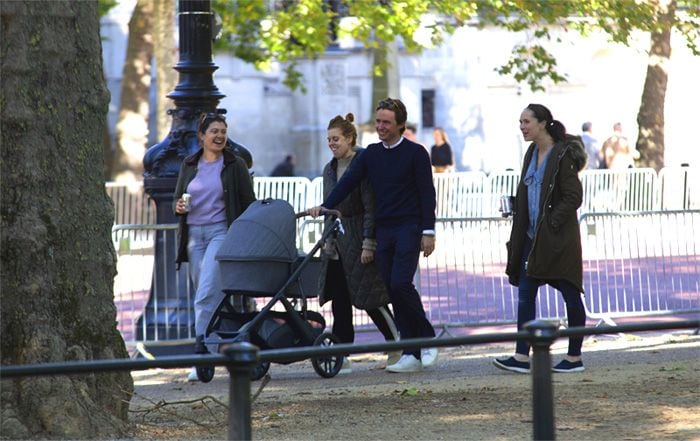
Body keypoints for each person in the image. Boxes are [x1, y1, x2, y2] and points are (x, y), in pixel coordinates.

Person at [309, 98, 438, 373]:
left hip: (409, 227)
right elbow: (347, 183)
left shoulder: (416, 153)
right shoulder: (370, 154)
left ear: (400, 125)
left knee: (401, 284)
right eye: (378, 121)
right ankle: (415, 346)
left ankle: (421, 342)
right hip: (384, 230)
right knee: (392, 289)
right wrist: (325, 206)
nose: (380, 126)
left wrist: (429, 232)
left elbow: (428, 195)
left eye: (386, 122)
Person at [493, 103, 588, 374]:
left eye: (526, 122)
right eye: (520, 122)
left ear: (543, 123)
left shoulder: (562, 155)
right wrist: (516, 205)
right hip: (531, 240)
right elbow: (530, 189)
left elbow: (573, 196)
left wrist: (552, 222)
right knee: (525, 295)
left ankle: (574, 357)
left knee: (570, 292)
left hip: (557, 240)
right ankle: (522, 356)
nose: (522, 127)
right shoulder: (531, 152)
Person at [173, 113, 257, 381]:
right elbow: (178, 197)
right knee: (206, 295)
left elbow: (249, 202)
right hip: (194, 236)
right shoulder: (189, 164)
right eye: (214, 131)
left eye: (223, 131)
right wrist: (178, 206)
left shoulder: (235, 164)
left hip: (222, 232)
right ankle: (222, 342)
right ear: (202, 136)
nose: (220, 136)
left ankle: (202, 357)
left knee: (206, 293)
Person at [319, 113, 401, 373]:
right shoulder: (329, 169)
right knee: (339, 299)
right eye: (329, 139)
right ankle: (342, 353)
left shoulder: (363, 163)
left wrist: (369, 242)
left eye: (337, 139)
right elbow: (328, 207)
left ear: (350, 138)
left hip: (358, 234)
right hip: (339, 237)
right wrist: (328, 241)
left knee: (371, 296)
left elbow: (370, 206)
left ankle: (397, 343)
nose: (332, 144)